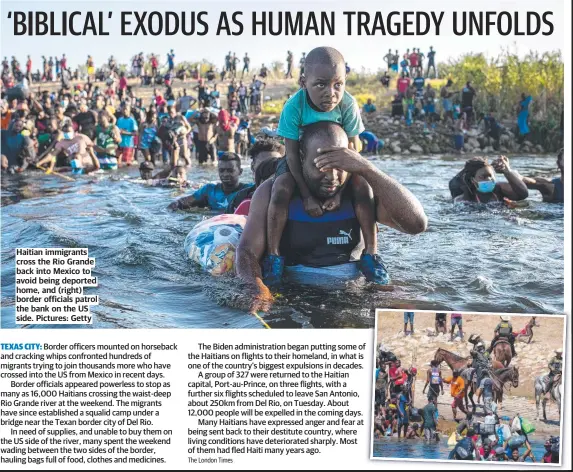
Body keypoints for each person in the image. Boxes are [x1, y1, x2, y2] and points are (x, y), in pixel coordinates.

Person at [236, 120, 427, 312]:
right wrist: (256, 287)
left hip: (355, 291)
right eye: (322, 166)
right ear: (301, 158)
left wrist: (367, 169)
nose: (332, 177)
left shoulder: (360, 194)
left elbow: (416, 224)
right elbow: (247, 251)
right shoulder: (272, 193)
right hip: (293, 292)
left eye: (340, 166)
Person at [265, 47, 387, 287]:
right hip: (302, 161)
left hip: (343, 162)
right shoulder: (294, 107)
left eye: (338, 85)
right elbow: (290, 154)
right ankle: (274, 255)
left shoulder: (348, 104)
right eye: (320, 85)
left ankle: (371, 254)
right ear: (303, 82)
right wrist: (307, 195)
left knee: (364, 186)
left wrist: (341, 191)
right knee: (280, 187)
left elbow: (354, 152)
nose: (330, 93)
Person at [168, 152, 253, 211]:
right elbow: (183, 202)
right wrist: (174, 205)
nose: (225, 174)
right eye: (222, 170)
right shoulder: (209, 190)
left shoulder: (249, 190)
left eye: (230, 170)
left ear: (240, 171)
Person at [449, 156, 529, 204]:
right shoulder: (463, 199)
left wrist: (507, 172)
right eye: (483, 177)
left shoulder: (500, 189)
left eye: (491, 176)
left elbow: (523, 194)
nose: (489, 179)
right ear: (473, 180)